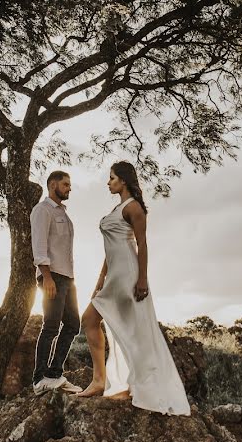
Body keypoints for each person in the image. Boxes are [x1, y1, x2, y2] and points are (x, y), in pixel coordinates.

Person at [74, 161, 191, 416]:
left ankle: (131, 384)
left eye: (112, 178)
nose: (108, 182)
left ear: (123, 180)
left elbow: (142, 245)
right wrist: (99, 282)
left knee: (134, 331)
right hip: (113, 276)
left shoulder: (134, 208)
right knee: (91, 320)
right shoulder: (118, 208)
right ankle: (102, 381)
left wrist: (142, 280)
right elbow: (110, 251)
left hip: (128, 276)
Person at [31, 170, 83, 395]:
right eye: (65, 184)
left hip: (67, 278)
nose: (69, 188)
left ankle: (54, 374)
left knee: (73, 324)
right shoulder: (43, 211)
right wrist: (48, 277)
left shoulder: (63, 213)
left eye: (69, 185)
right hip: (52, 276)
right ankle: (39, 379)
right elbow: (40, 246)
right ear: (53, 185)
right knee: (51, 326)